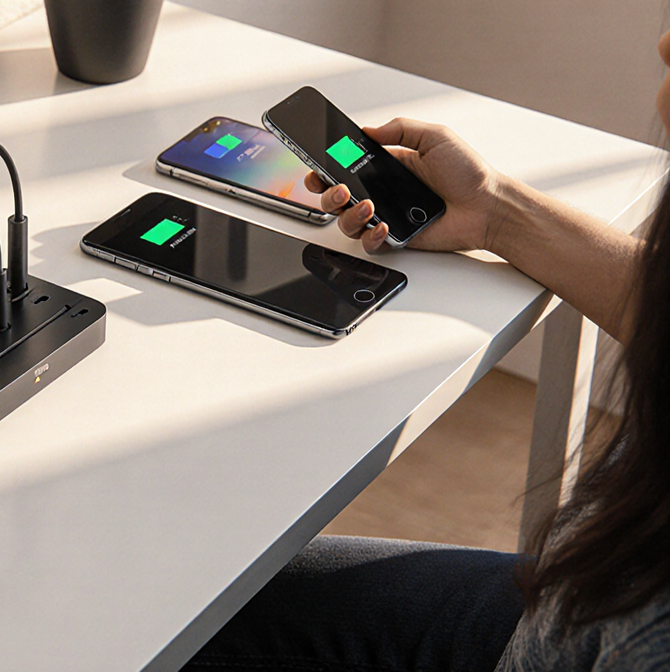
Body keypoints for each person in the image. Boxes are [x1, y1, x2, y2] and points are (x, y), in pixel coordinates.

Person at [181, 28, 670, 672]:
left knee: (180, 621)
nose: (663, 41)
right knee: (221, 606)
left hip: (561, 637)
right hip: (562, 610)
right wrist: (493, 210)